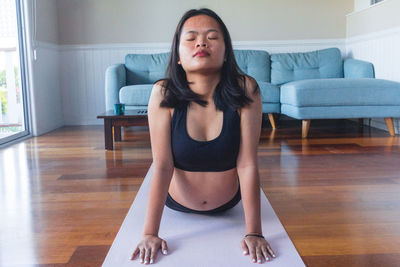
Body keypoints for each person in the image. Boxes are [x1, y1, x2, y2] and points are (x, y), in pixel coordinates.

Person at [130, 8, 276, 265]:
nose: (201, 42)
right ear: (177, 55)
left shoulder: (246, 89)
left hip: (228, 204)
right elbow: (162, 165)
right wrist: (150, 233)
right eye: (191, 38)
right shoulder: (163, 93)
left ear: (226, 52)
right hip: (176, 203)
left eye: (212, 37)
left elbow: (248, 163)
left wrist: (254, 232)